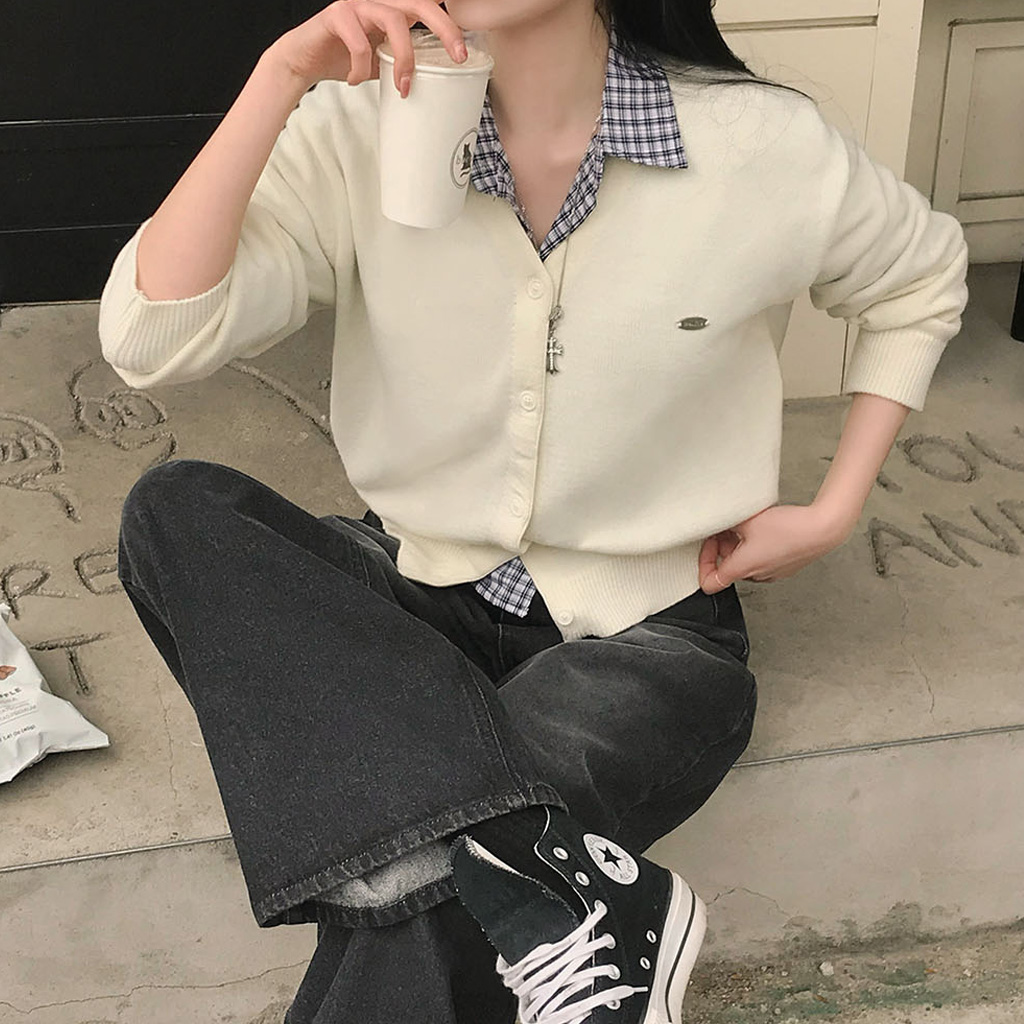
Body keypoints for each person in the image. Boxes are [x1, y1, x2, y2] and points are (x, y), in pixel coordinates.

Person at [97, 0, 970, 1021]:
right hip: (414, 586)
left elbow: (919, 277)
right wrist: (279, 77)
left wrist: (831, 509)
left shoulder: (757, 143)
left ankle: (481, 859)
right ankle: (556, 882)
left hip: (647, 636)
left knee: (438, 888)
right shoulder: (362, 127)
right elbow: (152, 339)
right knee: (177, 511)